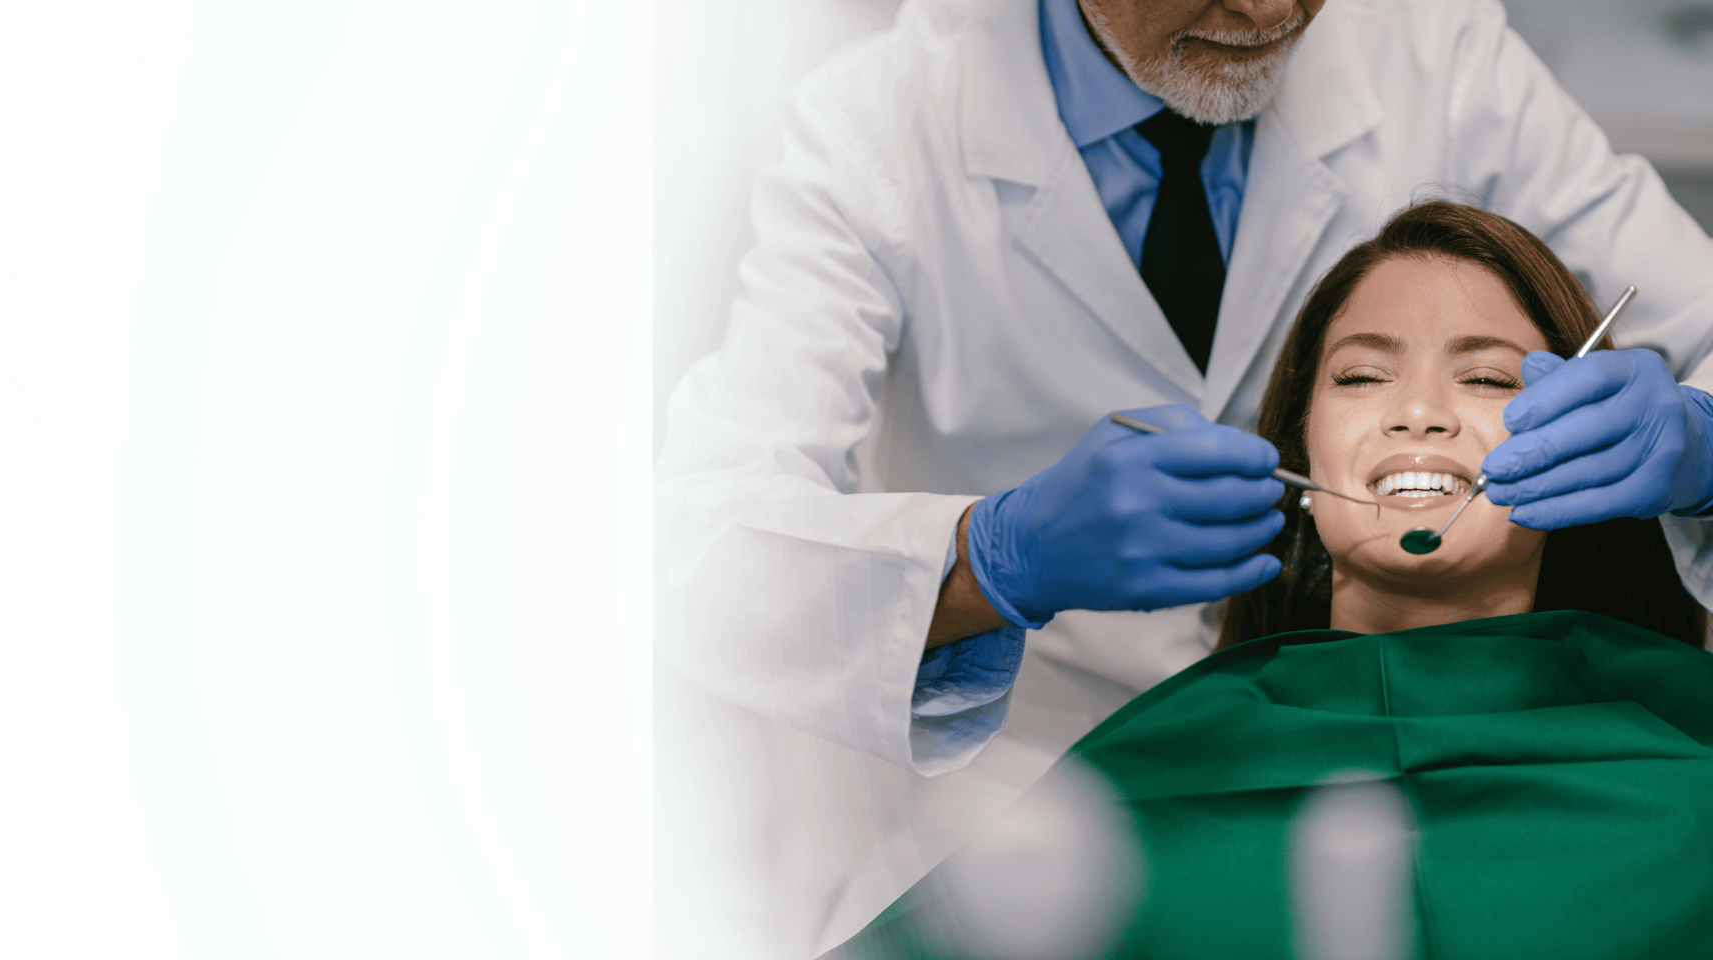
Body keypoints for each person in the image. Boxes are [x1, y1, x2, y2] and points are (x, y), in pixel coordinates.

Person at [655, 0, 1713, 955]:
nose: (1267, 10)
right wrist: (992, 556)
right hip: (1047, 798)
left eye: (1485, 375)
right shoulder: (880, 125)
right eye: (1358, 372)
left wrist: (1702, 446)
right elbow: (696, 547)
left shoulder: (1438, 54)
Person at [838, 200, 1713, 960]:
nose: (1418, 410)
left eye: (1485, 377)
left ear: (1592, 442)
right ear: (1299, 459)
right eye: (1363, 376)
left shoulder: (1690, 785)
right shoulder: (1137, 788)